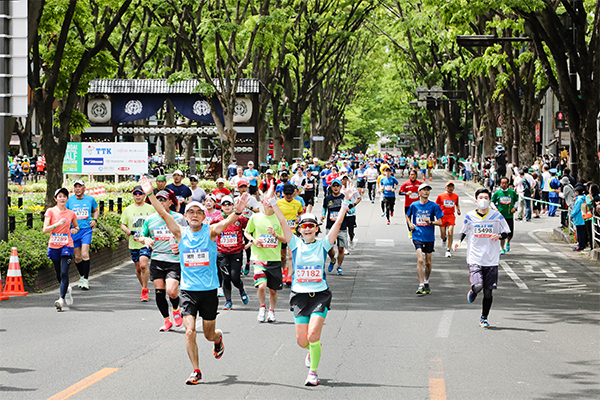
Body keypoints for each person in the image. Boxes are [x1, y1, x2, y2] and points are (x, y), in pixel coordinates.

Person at [139, 176, 250, 385]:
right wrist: (149, 193)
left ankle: (218, 339)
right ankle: (196, 370)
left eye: (199, 212)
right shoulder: (180, 232)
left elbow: (227, 222)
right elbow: (162, 213)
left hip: (208, 291)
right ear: (186, 216)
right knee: (189, 331)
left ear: (204, 215)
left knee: (208, 334)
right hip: (188, 291)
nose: (195, 215)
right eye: (191, 212)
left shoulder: (211, 231)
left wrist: (238, 210)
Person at [269, 182, 356, 386]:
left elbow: (335, 226)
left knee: (313, 334)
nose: (307, 229)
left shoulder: (324, 244)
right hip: (299, 296)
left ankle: (313, 373)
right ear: (299, 230)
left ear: (316, 229)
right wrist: (273, 201)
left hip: (319, 295)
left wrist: (345, 203)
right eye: (304, 226)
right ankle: (311, 349)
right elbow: (282, 220)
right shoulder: (295, 243)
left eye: (311, 226)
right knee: (302, 341)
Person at [453, 187, 511, 328]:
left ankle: (484, 318)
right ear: (476, 201)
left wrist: (499, 236)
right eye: (481, 198)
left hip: (491, 259)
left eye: (486, 198)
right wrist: (458, 242)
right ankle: (473, 291)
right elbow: (464, 231)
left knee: (488, 292)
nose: (483, 200)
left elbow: (507, 231)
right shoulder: (470, 216)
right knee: (479, 286)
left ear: (490, 200)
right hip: (475, 257)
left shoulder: (496, 216)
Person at [140, 190, 187, 331]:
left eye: (163, 200)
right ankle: (167, 320)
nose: (160, 202)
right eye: (158, 200)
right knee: (159, 292)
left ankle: (176, 308)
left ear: (170, 202)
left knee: (172, 291)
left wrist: (181, 246)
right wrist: (145, 239)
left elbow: (187, 236)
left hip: (174, 260)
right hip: (157, 259)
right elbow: (140, 236)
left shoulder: (178, 218)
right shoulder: (150, 220)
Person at [244, 186, 285, 323]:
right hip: (258, 258)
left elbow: (286, 239)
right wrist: (253, 240)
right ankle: (262, 307)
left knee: (273, 290)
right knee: (261, 286)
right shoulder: (255, 217)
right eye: (268, 200)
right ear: (262, 203)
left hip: (274, 258)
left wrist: (275, 235)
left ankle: (271, 311)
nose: (270, 203)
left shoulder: (280, 219)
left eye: (273, 200)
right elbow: (247, 232)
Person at [44, 188, 79, 311]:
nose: (62, 198)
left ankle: (61, 299)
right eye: (60, 196)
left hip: (67, 245)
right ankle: (66, 289)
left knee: (64, 272)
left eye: (64, 196)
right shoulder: (50, 211)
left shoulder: (71, 213)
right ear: (55, 198)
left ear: (67, 198)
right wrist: (57, 224)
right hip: (54, 245)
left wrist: (75, 230)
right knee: (59, 273)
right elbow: (45, 229)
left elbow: (76, 227)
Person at [212, 195, 250, 310]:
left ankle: (241, 289)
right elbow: (210, 233)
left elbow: (249, 229)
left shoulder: (240, 218)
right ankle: (228, 302)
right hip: (222, 253)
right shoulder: (217, 219)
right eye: (224, 204)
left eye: (229, 204)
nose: (227, 206)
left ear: (233, 206)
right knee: (226, 278)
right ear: (221, 207)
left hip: (236, 252)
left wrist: (248, 242)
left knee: (235, 277)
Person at [406, 183, 443, 294]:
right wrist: (410, 225)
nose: (426, 192)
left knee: (428, 262)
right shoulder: (414, 205)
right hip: (417, 235)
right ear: (419, 192)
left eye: (427, 190)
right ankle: (421, 284)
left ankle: (426, 281)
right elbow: (407, 215)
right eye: (424, 190)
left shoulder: (434, 206)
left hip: (429, 236)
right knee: (420, 260)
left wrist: (430, 222)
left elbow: (440, 222)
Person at [120, 185, 156, 301]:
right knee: (137, 268)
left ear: (144, 195)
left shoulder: (150, 208)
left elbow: (157, 220)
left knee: (143, 264)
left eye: (140, 193)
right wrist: (127, 230)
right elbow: (122, 224)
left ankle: (144, 289)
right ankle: (144, 287)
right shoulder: (128, 210)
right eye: (135, 194)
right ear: (133, 195)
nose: (138, 196)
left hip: (146, 242)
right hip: (134, 242)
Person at [66, 180, 99, 290]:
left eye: (80, 186)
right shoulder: (70, 201)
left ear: (84, 188)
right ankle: (82, 276)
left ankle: (85, 279)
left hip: (86, 230)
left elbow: (96, 210)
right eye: (76, 187)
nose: (78, 189)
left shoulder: (90, 199)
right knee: (78, 257)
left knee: (85, 254)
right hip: (74, 231)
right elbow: (65, 213)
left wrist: (95, 220)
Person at [277, 184, 305, 284]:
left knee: (291, 256)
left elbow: (301, 212)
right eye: (286, 194)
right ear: (283, 193)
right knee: (282, 256)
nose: (288, 196)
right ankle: (284, 270)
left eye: (290, 194)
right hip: (281, 232)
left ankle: (289, 275)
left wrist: (299, 219)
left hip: (293, 232)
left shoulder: (297, 203)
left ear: (294, 193)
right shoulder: (278, 203)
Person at [321, 179, 349, 275]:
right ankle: (332, 259)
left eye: (338, 186)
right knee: (328, 246)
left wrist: (349, 210)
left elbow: (352, 209)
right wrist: (323, 215)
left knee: (341, 248)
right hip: (330, 225)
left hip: (342, 226)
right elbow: (324, 207)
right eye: (334, 186)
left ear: (340, 187)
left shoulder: (344, 197)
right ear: (331, 187)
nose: (336, 187)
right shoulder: (327, 198)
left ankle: (339, 266)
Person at [491, 177, 518, 255]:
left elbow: (517, 201)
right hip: (500, 216)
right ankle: (502, 248)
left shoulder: (512, 192)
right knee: (502, 233)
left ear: (508, 184)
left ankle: (508, 242)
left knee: (510, 233)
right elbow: (492, 202)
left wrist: (514, 208)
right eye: (502, 183)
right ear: (500, 184)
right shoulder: (497, 193)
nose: (504, 184)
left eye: (505, 183)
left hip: (509, 215)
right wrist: (495, 208)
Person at [436, 181, 461, 257]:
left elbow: (457, 204)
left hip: (451, 216)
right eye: (449, 187)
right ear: (446, 187)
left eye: (452, 187)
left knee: (450, 232)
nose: (450, 188)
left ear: (453, 188)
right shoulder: (441, 196)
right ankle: (444, 239)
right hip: (442, 216)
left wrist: (458, 210)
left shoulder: (455, 196)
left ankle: (448, 250)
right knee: (443, 234)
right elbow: (436, 204)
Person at [340, 175, 361, 250]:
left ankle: (351, 238)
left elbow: (359, 198)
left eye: (346, 179)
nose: (345, 181)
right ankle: (345, 245)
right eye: (343, 179)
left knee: (351, 229)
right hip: (343, 212)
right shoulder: (340, 190)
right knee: (343, 229)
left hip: (351, 212)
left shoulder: (353, 189)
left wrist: (354, 204)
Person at [400, 170, 423, 235]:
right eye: (411, 174)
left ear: (416, 175)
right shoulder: (405, 183)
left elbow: (424, 191)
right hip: (408, 204)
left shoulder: (420, 183)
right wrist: (406, 193)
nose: (413, 176)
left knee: (418, 218)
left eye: (414, 174)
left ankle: (417, 230)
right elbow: (400, 192)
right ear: (409, 175)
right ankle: (410, 231)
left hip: (417, 204)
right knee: (408, 218)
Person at [571, 186, 588, 251]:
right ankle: (583, 244)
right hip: (584, 217)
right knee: (583, 232)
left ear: (577, 192)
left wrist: (571, 214)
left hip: (578, 218)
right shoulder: (585, 198)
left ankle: (580, 245)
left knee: (579, 232)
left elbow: (576, 209)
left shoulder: (579, 200)